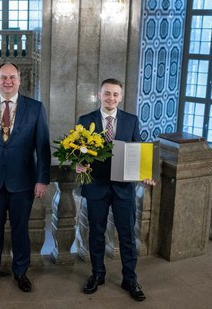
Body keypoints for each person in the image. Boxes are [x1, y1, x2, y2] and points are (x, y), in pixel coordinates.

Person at [0, 62, 51, 293]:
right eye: (4, 77)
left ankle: (21, 272)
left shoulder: (35, 108)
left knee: (20, 228)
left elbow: (43, 148)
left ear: (19, 80)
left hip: (23, 181)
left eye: (12, 77)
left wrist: (42, 179)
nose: (8, 82)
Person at [76, 78, 156, 302]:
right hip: (96, 187)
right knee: (96, 234)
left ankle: (130, 279)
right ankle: (97, 274)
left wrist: (145, 173)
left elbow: (136, 149)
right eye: (107, 93)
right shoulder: (85, 120)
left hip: (124, 189)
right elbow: (78, 151)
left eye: (115, 94)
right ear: (99, 94)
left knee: (128, 235)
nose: (111, 98)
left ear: (120, 97)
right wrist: (78, 164)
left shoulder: (131, 120)